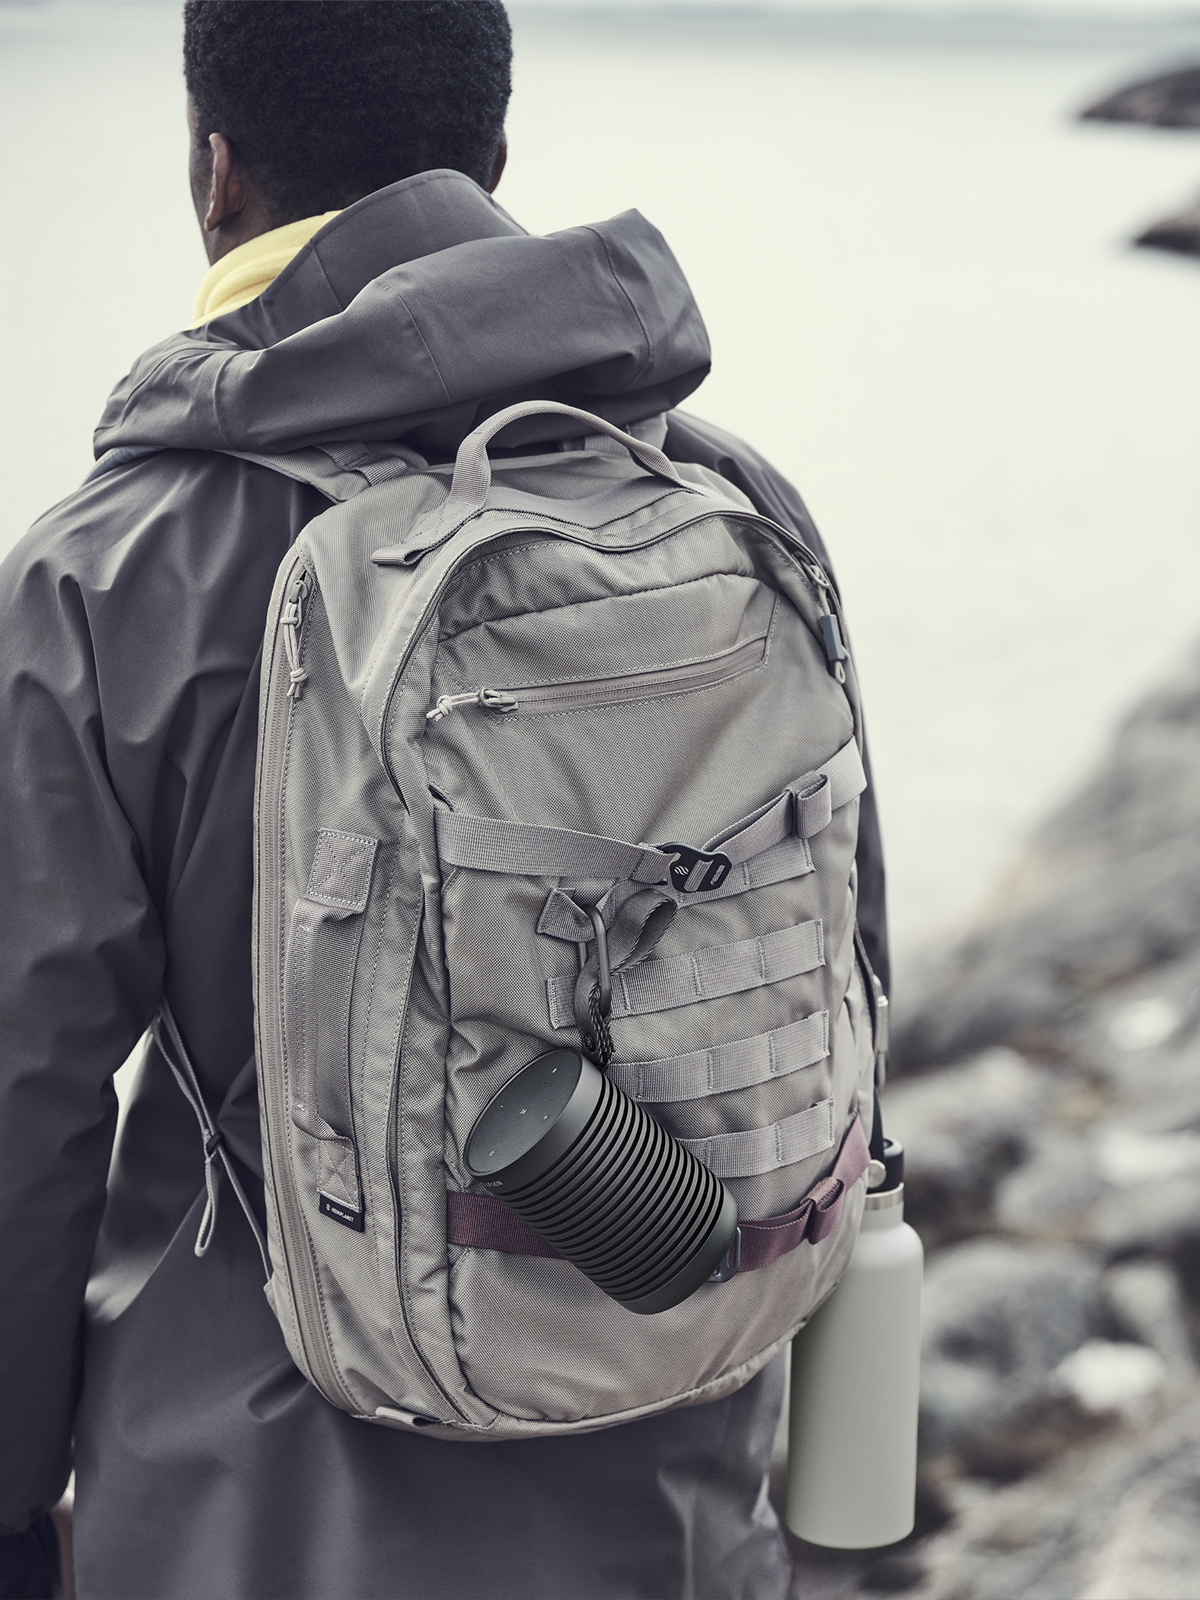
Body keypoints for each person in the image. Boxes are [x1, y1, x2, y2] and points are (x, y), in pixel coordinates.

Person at [0, 4, 888, 1596]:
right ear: (492, 162)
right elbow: (834, 985)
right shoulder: (732, 500)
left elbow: (22, 1095)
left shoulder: (115, 569)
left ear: (216, 177)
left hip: (251, 1508)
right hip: (679, 1482)